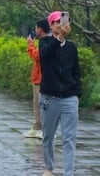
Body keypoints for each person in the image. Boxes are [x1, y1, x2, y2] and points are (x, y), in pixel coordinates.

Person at [39, 11, 81, 176]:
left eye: (64, 21)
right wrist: (59, 39)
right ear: (51, 25)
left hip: (69, 98)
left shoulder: (71, 47)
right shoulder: (45, 43)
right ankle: (49, 168)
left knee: (69, 138)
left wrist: (76, 93)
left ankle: (68, 173)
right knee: (48, 136)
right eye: (57, 22)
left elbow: (76, 71)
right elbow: (44, 56)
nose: (61, 24)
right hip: (50, 98)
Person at [24, 19, 49, 139]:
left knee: (42, 104)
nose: (35, 31)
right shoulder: (42, 41)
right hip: (36, 78)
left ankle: (44, 129)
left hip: (42, 79)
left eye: (35, 28)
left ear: (40, 29)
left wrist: (30, 44)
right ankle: (37, 126)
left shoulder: (46, 42)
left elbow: (37, 56)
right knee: (36, 104)